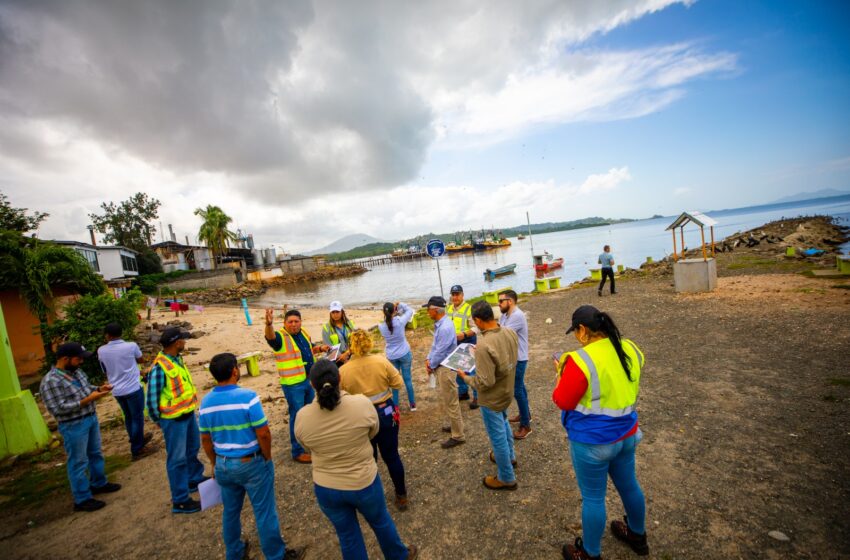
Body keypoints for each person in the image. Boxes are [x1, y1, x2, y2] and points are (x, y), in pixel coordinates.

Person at [295, 360, 417, 560]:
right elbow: (373, 431)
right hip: (363, 482)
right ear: (340, 379)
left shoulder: (302, 417)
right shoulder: (361, 404)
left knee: (348, 536)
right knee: (380, 521)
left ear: (312, 384)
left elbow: (307, 447)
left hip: (327, 487)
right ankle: (399, 556)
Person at [553, 305, 648, 560]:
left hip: (592, 443)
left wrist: (561, 374)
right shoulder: (630, 347)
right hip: (627, 434)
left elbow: (563, 400)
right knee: (629, 486)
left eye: (575, 331)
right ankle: (637, 535)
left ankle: (589, 553)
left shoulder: (580, 360)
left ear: (583, 330)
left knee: (593, 498)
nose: (576, 337)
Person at [200, 353, 305, 560]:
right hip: (251, 461)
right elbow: (263, 432)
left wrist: (215, 463)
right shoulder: (247, 397)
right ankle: (276, 555)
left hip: (223, 463)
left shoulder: (206, 402)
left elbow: (205, 439)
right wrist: (266, 457)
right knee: (264, 512)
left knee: (230, 512)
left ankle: (235, 553)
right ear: (234, 371)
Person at [40, 342, 122, 512]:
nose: (81, 362)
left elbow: (86, 388)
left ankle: (99, 483)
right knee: (78, 461)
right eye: (78, 359)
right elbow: (57, 408)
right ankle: (82, 498)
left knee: (95, 453)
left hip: (90, 418)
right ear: (65, 359)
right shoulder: (51, 381)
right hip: (73, 425)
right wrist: (87, 400)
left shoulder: (76, 371)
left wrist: (99, 389)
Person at [340, 330, 408, 510]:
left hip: (360, 417)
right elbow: (398, 383)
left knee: (368, 460)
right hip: (385, 413)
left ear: (350, 347)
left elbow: (340, 396)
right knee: (392, 456)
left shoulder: (344, 370)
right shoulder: (381, 361)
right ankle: (401, 495)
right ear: (369, 343)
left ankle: (373, 498)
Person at [457, 301, 519, 491]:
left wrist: (466, 378)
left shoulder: (484, 344)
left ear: (478, 320)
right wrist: (480, 355)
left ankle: (506, 477)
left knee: (497, 437)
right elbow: (504, 356)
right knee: (504, 422)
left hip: (492, 397)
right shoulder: (509, 331)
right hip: (507, 390)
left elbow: (485, 382)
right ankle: (511, 457)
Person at [146, 327, 208, 514]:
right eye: (183, 339)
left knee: (192, 448)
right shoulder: (160, 367)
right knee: (177, 459)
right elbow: (151, 399)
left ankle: (193, 478)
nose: (185, 342)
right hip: (173, 419)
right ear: (176, 343)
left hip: (187, 413)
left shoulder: (176, 360)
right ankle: (180, 500)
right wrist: (159, 419)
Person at [265, 307, 330, 463]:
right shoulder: (280, 337)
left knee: (310, 414)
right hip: (293, 385)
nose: (293, 324)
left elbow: (309, 349)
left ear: (300, 322)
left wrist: (321, 348)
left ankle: (309, 442)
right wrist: (268, 324)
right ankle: (297, 451)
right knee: (297, 416)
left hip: (309, 380)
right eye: (290, 322)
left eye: (296, 321)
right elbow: (271, 338)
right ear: (285, 323)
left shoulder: (303, 333)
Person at [97, 322, 157, 460]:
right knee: (137, 417)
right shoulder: (131, 346)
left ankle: (137, 439)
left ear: (107, 335)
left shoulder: (101, 350)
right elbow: (141, 359)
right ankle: (137, 448)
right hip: (133, 388)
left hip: (116, 389)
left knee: (129, 417)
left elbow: (104, 369)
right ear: (121, 333)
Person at [423, 295, 464, 448]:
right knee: (448, 399)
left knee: (451, 401)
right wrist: (429, 359)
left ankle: (458, 435)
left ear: (435, 310)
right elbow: (435, 346)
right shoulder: (441, 324)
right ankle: (455, 426)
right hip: (442, 365)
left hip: (446, 367)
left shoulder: (445, 327)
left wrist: (431, 364)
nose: (427, 312)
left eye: (429, 309)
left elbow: (440, 351)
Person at [497, 290, 532, 440]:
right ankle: (526, 415)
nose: (498, 304)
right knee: (520, 388)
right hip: (513, 358)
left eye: (501, 301)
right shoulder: (505, 315)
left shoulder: (517, 316)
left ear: (510, 301)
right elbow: (499, 329)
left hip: (519, 358)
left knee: (517, 390)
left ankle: (526, 426)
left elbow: (501, 334)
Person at [377, 301, 416, 411]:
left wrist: (395, 310)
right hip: (404, 353)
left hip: (391, 356)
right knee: (407, 379)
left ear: (383, 312)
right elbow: (410, 310)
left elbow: (388, 323)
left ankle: (395, 407)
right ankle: (412, 405)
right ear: (395, 310)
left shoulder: (381, 326)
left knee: (394, 382)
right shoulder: (400, 321)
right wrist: (400, 304)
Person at [446, 285, 478, 408]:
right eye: (453, 294)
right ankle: (463, 392)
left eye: (457, 294)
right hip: (454, 342)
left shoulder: (469, 308)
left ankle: (477, 396)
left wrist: (464, 334)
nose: (455, 297)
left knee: (471, 369)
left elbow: (476, 328)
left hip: (468, 340)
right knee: (456, 367)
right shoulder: (448, 308)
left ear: (462, 295)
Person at [322, 300, 356, 365]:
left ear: (342, 312)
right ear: (330, 313)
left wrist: (347, 353)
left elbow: (354, 340)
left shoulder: (350, 324)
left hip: (350, 354)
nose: (335, 315)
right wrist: (342, 358)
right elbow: (328, 346)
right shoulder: (326, 328)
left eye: (337, 312)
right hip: (335, 359)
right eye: (333, 312)